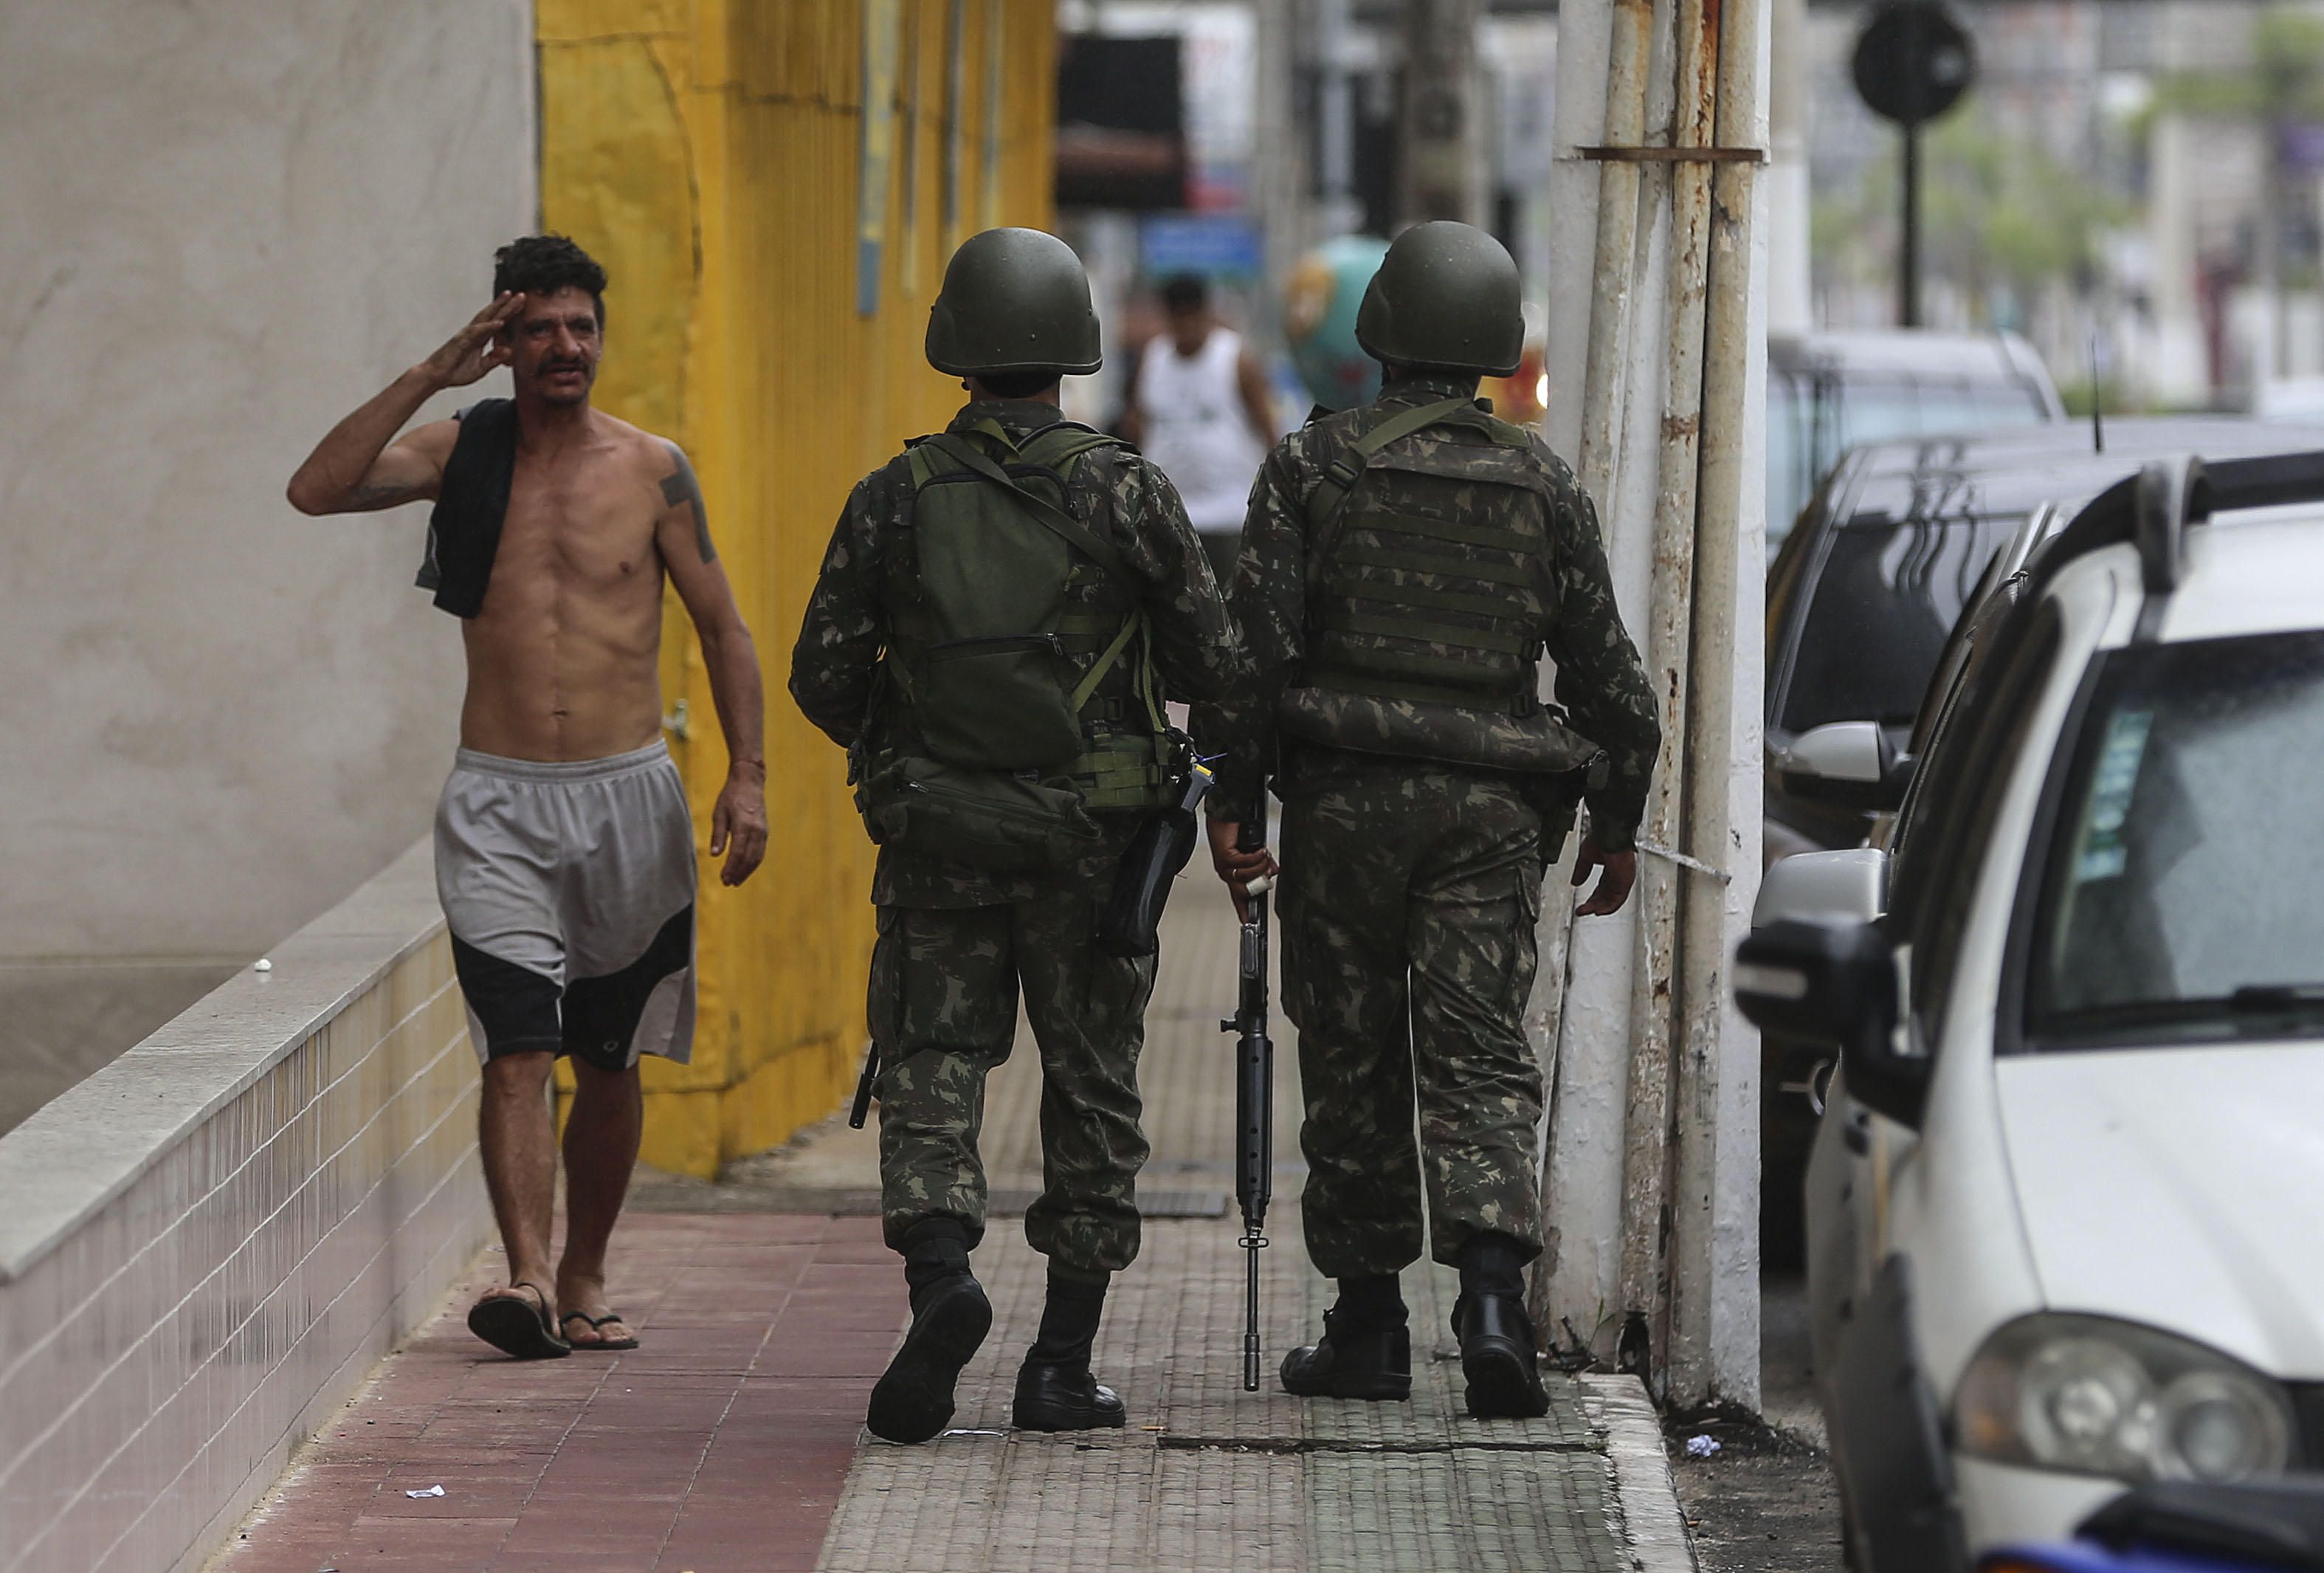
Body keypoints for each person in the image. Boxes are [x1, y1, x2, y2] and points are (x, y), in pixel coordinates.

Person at [1190, 221, 1661, 1419]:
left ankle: (1366, 1331)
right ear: (1495, 346)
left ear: (1380, 331)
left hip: (1344, 808)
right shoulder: (1540, 484)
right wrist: (1615, 820)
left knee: (1351, 1056)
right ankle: (1493, 1305)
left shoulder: (1313, 467)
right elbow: (1609, 680)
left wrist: (1233, 802)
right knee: (1479, 1055)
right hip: (1490, 818)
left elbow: (1248, 658)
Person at [790, 227, 1243, 1445]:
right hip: (1091, 842)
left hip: (937, 830)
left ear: (957, 350)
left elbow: (820, 674)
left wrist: (909, 742)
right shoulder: (1127, 488)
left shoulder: (896, 494)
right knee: (1091, 1089)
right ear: (1069, 352)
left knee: (932, 1069)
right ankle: (1059, 1363)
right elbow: (1215, 660)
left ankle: (943, 1281)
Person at [286, 235, 768, 1359]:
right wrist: (431, 373)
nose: (567, 348)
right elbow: (316, 489)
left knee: (607, 1056)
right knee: (517, 1045)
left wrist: (747, 774)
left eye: (582, 328)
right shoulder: (461, 453)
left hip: (626, 798)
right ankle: (527, 1279)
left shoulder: (653, 468)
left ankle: (589, 1267)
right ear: (505, 342)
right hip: (498, 801)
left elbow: (723, 626)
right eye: (542, 328)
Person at [1117, 273, 1276, 587]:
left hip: (1229, 516)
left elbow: (1268, 427)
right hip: (1171, 518)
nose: (1186, 326)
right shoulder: (1151, 360)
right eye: (1178, 317)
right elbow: (1133, 428)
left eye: (1193, 315)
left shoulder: (1236, 359)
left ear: (1206, 314)